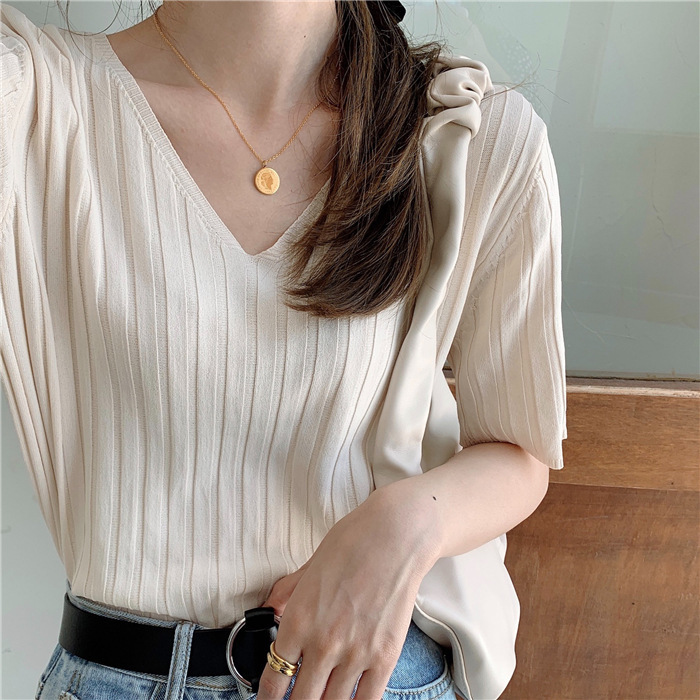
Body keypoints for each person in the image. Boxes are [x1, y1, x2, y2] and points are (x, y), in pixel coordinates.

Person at [0, 1, 567, 699]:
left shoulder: (470, 133)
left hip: (373, 681)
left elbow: (518, 452)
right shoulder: (34, 100)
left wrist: (409, 523)